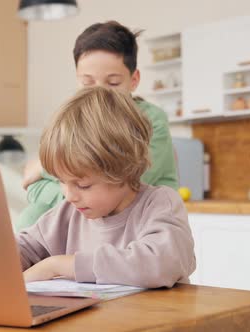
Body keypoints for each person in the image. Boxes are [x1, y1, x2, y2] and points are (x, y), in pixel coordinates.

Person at [17, 86, 195, 288]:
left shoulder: (160, 204)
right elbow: (25, 247)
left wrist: (58, 265)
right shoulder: (67, 213)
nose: (69, 195)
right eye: (62, 181)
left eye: (83, 185)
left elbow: (161, 263)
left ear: (124, 170)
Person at [16, 21, 179, 231]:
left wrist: (45, 169)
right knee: (33, 219)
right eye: (87, 84)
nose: (99, 93)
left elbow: (120, 185)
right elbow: (34, 187)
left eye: (113, 83)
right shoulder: (78, 120)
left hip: (142, 228)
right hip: (94, 225)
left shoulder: (151, 120)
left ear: (134, 79)